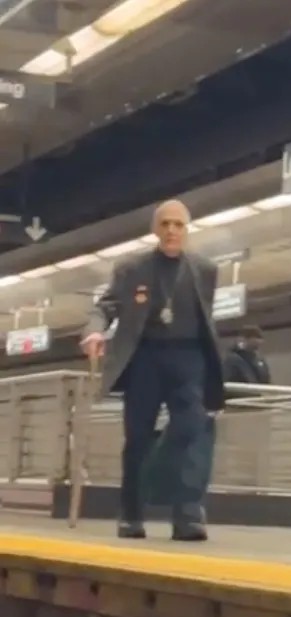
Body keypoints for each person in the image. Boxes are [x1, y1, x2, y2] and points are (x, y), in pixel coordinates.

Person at [79, 199, 224, 542]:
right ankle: (132, 513)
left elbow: (205, 316)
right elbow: (105, 306)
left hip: (189, 358)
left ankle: (187, 515)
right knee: (138, 438)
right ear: (155, 229)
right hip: (145, 358)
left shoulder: (205, 269)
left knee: (190, 431)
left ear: (187, 229)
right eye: (165, 224)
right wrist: (94, 331)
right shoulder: (133, 268)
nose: (172, 230)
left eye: (178, 224)